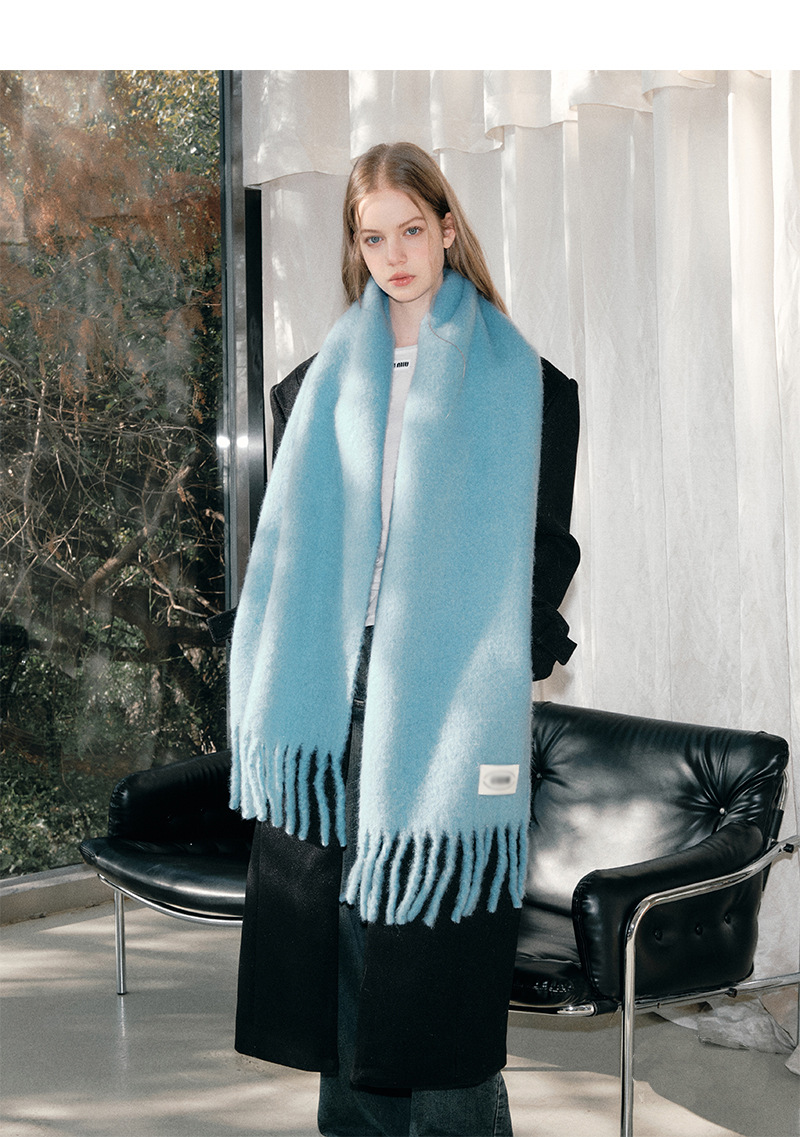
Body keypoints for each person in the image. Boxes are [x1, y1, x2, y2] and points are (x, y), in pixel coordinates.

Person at [229, 141, 580, 1137]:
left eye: (411, 231)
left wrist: (508, 653)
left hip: (450, 694)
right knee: (343, 942)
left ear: (447, 229)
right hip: (328, 690)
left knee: (436, 949)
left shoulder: (531, 387)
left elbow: (545, 546)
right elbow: (286, 554)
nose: (393, 255)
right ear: (355, 244)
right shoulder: (309, 389)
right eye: (371, 236)